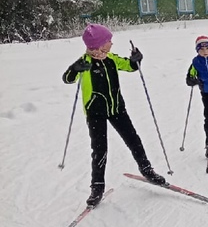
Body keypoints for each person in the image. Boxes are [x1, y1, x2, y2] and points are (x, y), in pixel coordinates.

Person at [62, 23, 167, 206]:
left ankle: (147, 170)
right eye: (108, 40)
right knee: (100, 149)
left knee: (133, 140)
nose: (111, 43)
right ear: (99, 44)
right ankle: (97, 187)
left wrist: (136, 60)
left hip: (117, 108)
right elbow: (67, 78)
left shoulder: (111, 59)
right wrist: (75, 68)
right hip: (96, 113)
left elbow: (129, 66)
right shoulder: (85, 63)